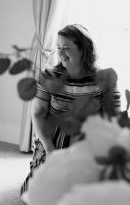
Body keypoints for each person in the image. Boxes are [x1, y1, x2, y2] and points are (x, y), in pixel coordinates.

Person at [20, 24, 122, 195]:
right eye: (58, 47)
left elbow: (114, 120)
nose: (60, 53)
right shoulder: (49, 76)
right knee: (39, 195)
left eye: (66, 48)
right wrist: (50, 149)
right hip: (53, 139)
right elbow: (38, 115)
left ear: (84, 49)